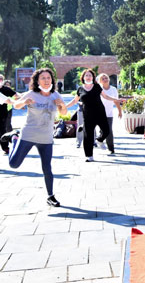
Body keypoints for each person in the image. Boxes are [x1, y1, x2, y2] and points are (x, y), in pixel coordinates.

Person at [8, 69, 68, 206]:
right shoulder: (31, 94)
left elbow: (63, 113)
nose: (46, 81)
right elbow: (16, 106)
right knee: (14, 164)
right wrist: (24, 102)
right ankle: (14, 139)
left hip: (46, 138)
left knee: (47, 168)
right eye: (43, 78)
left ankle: (50, 196)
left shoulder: (55, 95)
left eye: (48, 78)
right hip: (28, 135)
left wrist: (62, 104)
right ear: (37, 81)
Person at [66, 69, 124, 162]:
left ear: (93, 77)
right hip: (88, 115)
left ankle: (100, 140)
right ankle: (89, 156)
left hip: (100, 113)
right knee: (88, 135)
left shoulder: (97, 87)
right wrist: (65, 106)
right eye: (86, 75)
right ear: (83, 77)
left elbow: (105, 96)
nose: (88, 77)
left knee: (106, 130)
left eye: (90, 75)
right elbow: (74, 101)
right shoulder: (80, 89)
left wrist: (116, 100)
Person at [98, 73, 122, 154]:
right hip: (100, 113)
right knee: (104, 130)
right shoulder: (99, 89)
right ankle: (100, 140)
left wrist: (120, 111)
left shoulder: (113, 89)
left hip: (109, 113)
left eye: (106, 78)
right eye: (103, 78)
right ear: (100, 81)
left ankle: (111, 148)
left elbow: (116, 100)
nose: (105, 79)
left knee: (109, 131)